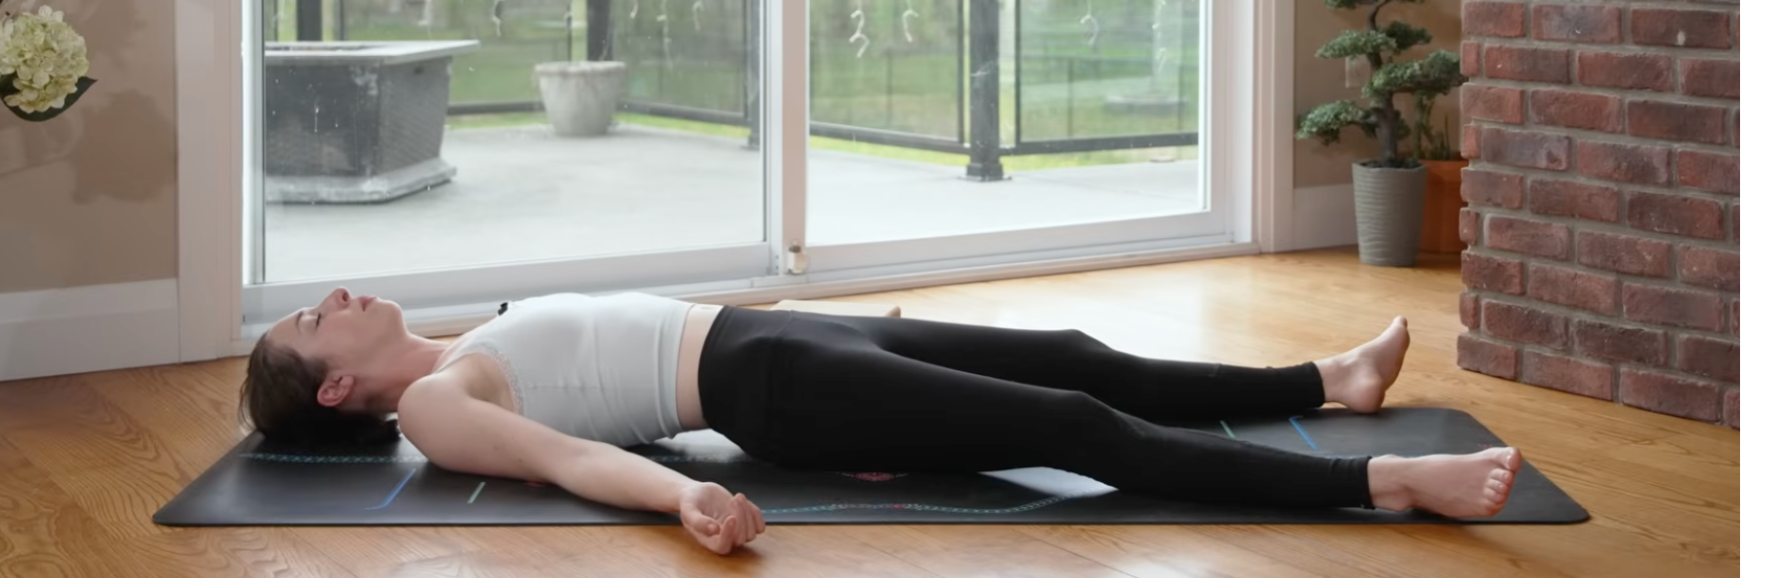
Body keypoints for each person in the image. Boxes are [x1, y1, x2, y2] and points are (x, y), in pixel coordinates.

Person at [239, 287, 1521, 555]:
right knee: (1076, 425)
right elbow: (570, 457)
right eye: (313, 320)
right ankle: (1381, 489)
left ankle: (1324, 389)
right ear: (338, 389)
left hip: (794, 333)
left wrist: (820, 309)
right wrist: (682, 500)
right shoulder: (439, 405)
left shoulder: (468, 334)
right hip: (778, 391)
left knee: (1073, 351)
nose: (335, 297)